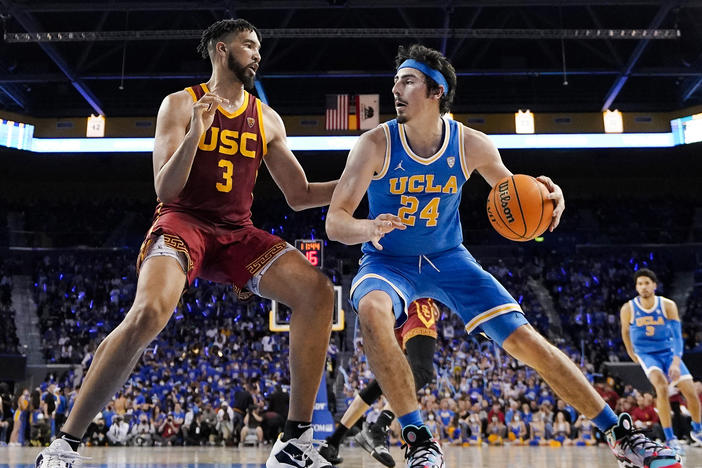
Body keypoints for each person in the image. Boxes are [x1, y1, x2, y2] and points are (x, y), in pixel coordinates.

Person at [326, 43, 680, 468]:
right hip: (387, 260)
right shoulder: (374, 144)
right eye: (396, 80)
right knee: (371, 308)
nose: (395, 89)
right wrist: (369, 227)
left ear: (436, 90)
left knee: (527, 341)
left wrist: (549, 196)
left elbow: (514, 195)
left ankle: (620, 434)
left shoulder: (471, 145)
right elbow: (335, 222)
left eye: (407, 81)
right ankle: (418, 439)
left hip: (448, 257)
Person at [36, 18, 336, 468]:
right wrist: (197, 132)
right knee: (149, 314)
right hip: (183, 222)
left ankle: (294, 441)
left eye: (259, 47)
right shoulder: (180, 104)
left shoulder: (266, 118)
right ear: (221, 49)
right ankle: (64, 445)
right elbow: (166, 190)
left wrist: (362, 181)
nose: (257, 53)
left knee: (318, 292)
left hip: (238, 232)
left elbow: (300, 195)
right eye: (249, 45)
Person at [319, 298, 439, 468]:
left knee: (389, 378)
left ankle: (332, 442)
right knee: (421, 372)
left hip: (392, 307)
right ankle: (379, 427)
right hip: (416, 303)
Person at [620, 268, 702, 452]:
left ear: (654, 286)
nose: (643, 287)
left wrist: (675, 362)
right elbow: (625, 332)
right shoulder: (628, 308)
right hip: (647, 354)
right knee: (661, 386)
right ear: (636, 287)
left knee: (690, 393)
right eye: (640, 284)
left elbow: (677, 337)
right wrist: (630, 352)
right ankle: (670, 438)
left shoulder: (667, 305)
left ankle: (697, 430)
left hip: (668, 351)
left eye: (647, 283)